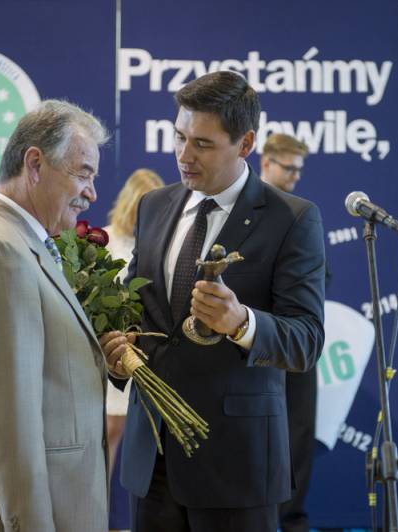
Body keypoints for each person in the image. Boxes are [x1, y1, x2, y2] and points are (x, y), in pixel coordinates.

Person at [102, 71, 326, 532]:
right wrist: (117, 350)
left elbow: (306, 340)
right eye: (179, 137)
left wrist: (242, 322)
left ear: (245, 144)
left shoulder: (292, 218)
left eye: (202, 144)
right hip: (152, 461)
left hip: (236, 468)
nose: (184, 155)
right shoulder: (153, 206)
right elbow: (141, 312)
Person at [0, 99, 111, 532]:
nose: (91, 192)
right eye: (83, 173)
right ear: (35, 164)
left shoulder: (15, 240)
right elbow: (8, 420)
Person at [260, 133, 316, 532]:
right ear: (267, 162)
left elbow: (317, 282)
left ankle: (292, 520)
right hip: (254, 343)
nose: (295, 176)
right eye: (289, 168)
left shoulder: (303, 216)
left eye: (299, 170)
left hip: (293, 344)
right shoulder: (239, 213)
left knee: (298, 437)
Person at [103, 168, 165, 478]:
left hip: (147, 353)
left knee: (142, 435)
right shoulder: (104, 241)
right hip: (113, 349)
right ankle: (96, 503)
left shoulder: (158, 245)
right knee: (110, 431)